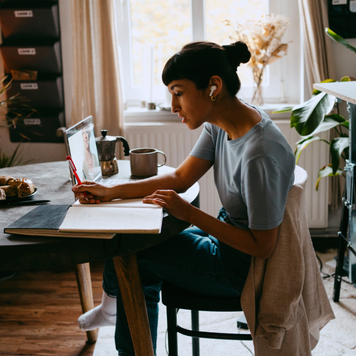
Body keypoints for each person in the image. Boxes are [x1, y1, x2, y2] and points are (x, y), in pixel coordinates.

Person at [72, 40, 295, 356]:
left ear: (213, 87)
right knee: (131, 235)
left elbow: (263, 246)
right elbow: (180, 178)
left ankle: (116, 315)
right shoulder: (223, 124)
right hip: (226, 240)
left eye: (178, 93)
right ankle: (115, 310)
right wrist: (111, 192)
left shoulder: (259, 155)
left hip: (241, 270)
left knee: (132, 254)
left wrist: (190, 214)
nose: (173, 106)